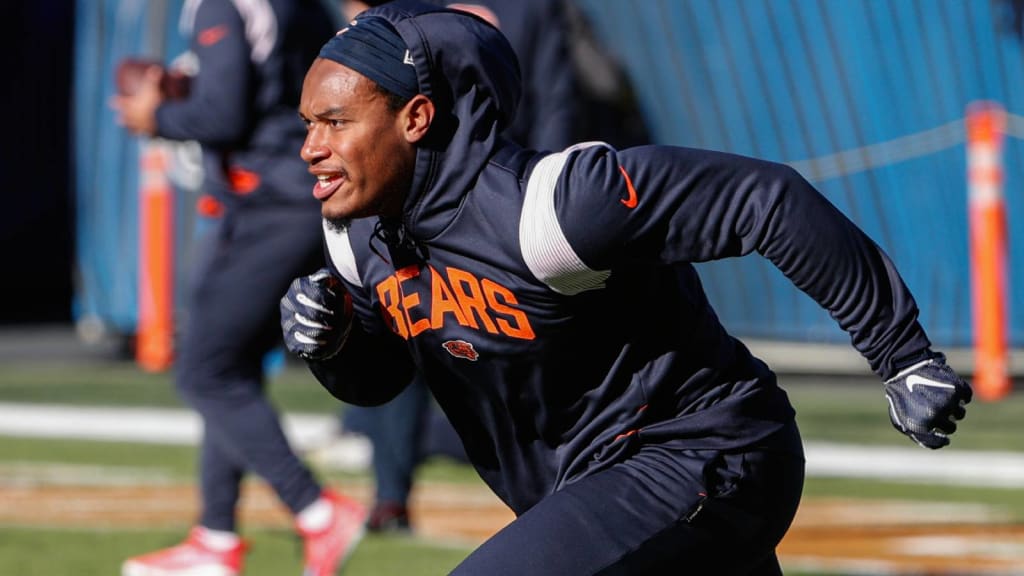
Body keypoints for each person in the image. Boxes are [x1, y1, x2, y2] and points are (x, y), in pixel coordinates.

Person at [280, 2, 973, 573]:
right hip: (591, 490)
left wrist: (901, 354)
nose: (312, 146)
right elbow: (380, 380)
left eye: (336, 122)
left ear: (417, 118)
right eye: (309, 123)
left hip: (703, 453)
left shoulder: (552, 210)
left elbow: (767, 200)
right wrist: (337, 344)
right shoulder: (358, 233)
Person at [111, 1, 367, 575]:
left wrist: (160, 116)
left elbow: (224, 115)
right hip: (297, 193)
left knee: (205, 369)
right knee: (232, 369)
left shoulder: (225, 5)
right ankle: (216, 539)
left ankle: (317, 510)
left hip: (270, 202)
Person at [332, 0, 582, 534]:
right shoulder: (404, 10)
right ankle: (391, 492)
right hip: (422, 202)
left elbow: (555, 95)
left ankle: (569, 489)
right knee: (409, 336)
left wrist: (550, 203)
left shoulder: (531, 10)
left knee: (525, 355)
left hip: (512, 206)